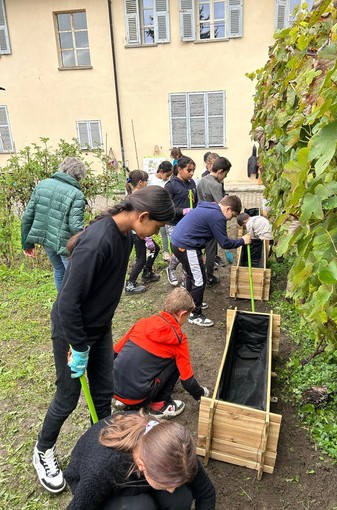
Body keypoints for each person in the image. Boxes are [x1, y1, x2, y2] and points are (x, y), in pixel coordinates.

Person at [32, 186, 175, 494]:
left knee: (103, 391)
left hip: (98, 327)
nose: (156, 232)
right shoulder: (99, 241)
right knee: (68, 396)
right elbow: (68, 303)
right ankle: (43, 450)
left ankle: (103, 445)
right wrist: (79, 347)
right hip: (74, 330)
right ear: (144, 216)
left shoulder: (124, 234)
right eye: (158, 227)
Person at [64, 411, 216, 510]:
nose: (171, 489)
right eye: (166, 485)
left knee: (180, 498)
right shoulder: (104, 467)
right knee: (141, 506)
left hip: (145, 475)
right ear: (142, 465)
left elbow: (206, 492)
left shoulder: (177, 450)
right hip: (102, 486)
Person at [113, 287, 210, 418]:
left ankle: (121, 400)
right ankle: (160, 406)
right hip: (139, 397)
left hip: (113, 387)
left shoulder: (142, 323)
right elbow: (187, 380)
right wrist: (201, 394)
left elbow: (114, 353)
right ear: (182, 314)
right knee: (176, 362)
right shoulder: (179, 339)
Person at [171, 195, 251, 327]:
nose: (231, 219)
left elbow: (197, 229)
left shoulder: (210, 207)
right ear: (228, 209)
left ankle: (191, 303)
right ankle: (195, 314)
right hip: (186, 245)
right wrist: (242, 240)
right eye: (233, 215)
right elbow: (224, 243)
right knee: (199, 280)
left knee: (193, 275)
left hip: (182, 242)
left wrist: (199, 252)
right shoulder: (218, 216)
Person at [21, 156, 86, 291]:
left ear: (62, 168)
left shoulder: (42, 184)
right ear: (79, 176)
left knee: (59, 271)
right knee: (74, 277)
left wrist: (27, 244)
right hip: (66, 244)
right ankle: (74, 307)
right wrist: (89, 237)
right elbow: (75, 226)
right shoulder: (77, 194)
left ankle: (62, 306)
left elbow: (27, 216)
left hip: (47, 240)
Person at [197, 156, 231, 287]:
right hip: (211, 220)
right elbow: (221, 206)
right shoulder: (216, 185)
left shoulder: (202, 180)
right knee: (211, 250)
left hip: (200, 216)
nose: (225, 177)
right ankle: (208, 276)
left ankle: (201, 272)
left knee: (201, 248)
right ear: (220, 171)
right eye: (225, 174)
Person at [125, 170, 161, 293]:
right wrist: (147, 238)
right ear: (140, 182)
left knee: (155, 249)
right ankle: (130, 284)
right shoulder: (137, 198)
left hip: (138, 233)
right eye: (146, 181)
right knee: (141, 259)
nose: (148, 183)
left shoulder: (134, 195)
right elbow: (140, 219)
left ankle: (147, 273)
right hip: (138, 233)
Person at [165, 156, 198, 287]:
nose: (192, 173)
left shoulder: (192, 183)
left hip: (189, 223)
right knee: (180, 251)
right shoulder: (171, 186)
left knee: (188, 251)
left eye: (193, 170)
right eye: (189, 170)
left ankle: (186, 280)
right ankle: (171, 269)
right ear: (179, 169)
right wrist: (182, 211)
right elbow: (166, 207)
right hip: (174, 223)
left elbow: (196, 201)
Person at [148, 161, 174, 261]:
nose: (168, 177)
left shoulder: (168, 182)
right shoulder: (151, 179)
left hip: (165, 209)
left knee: (167, 231)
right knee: (156, 231)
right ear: (161, 171)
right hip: (153, 209)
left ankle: (169, 252)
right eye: (167, 175)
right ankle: (161, 251)